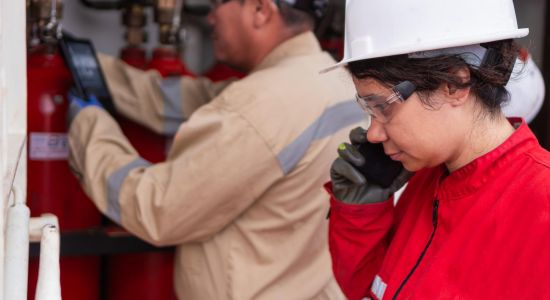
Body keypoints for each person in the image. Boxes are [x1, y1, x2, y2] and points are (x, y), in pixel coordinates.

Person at [67, 0, 365, 299]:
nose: (210, 16)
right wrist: (94, 68)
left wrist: (87, 125)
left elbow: (158, 207)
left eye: (219, 3)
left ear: (260, 10)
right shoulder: (335, 79)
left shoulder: (259, 104)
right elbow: (202, 100)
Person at [323, 0, 550, 299]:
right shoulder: (426, 179)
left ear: (454, 85)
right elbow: (368, 289)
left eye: (383, 108)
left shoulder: (541, 207)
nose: (374, 133)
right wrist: (360, 217)